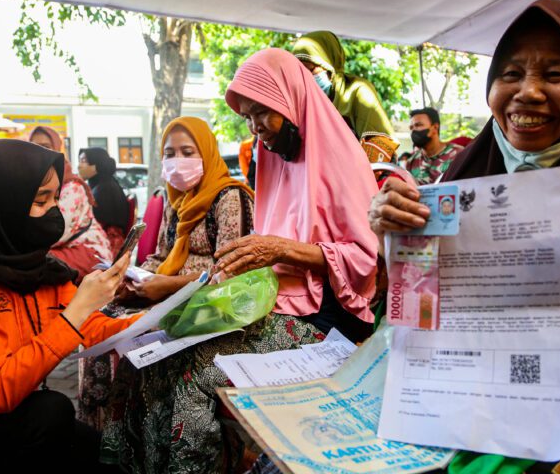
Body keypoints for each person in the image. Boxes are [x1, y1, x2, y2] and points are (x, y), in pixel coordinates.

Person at [369, 0, 560, 473]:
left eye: (555, 75)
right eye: (510, 74)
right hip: (460, 383)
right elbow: (413, 316)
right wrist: (395, 245)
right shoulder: (465, 174)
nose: (527, 93)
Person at [101, 49, 380, 473]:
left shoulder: (340, 159)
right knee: (150, 358)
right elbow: (267, 252)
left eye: (262, 113)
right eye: (247, 117)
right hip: (275, 305)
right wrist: (241, 264)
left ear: (290, 103)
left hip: (327, 319)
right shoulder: (273, 160)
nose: (256, 128)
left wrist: (280, 250)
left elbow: (366, 259)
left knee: (193, 370)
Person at [0, 139, 139, 474]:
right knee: (51, 412)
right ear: (1, 204)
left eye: (55, 198)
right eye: (39, 200)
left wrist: (161, 322)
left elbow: (90, 329)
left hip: (7, 422)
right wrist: (78, 309)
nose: (53, 211)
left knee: (102, 453)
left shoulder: (40, 269)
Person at [76, 117, 255, 429]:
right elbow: (160, 254)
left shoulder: (230, 198)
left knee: (123, 336)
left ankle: (129, 433)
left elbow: (230, 271)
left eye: (188, 151)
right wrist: (130, 279)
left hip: (203, 303)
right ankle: (99, 432)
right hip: (160, 293)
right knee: (97, 319)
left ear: (207, 152)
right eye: (170, 154)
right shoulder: (178, 200)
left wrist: (166, 286)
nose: (177, 162)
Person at [28, 127, 112, 279]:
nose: (38, 152)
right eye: (33, 147)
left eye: (46, 147)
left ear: (57, 150)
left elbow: (55, 232)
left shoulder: (72, 186)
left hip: (87, 249)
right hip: (57, 246)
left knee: (31, 265)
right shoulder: (33, 182)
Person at [293, 30, 394, 140]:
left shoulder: (357, 92)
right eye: (300, 73)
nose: (306, 77)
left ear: (330, 64)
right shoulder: (300, 104)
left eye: (311, 69)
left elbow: (379, 145)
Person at [77, 147, 129, 253]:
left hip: (108, 245)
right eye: (79, 161)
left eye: (84, 161)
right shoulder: (101, 185)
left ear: (97, 163)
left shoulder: (105, 189)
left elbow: (96, 222)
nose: (79, 166)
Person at [405, 107, 463, 185]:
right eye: (411, 127)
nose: (414, 130)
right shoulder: (411, 161)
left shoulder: (458, 155)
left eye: (418, 125)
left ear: (435, 127)